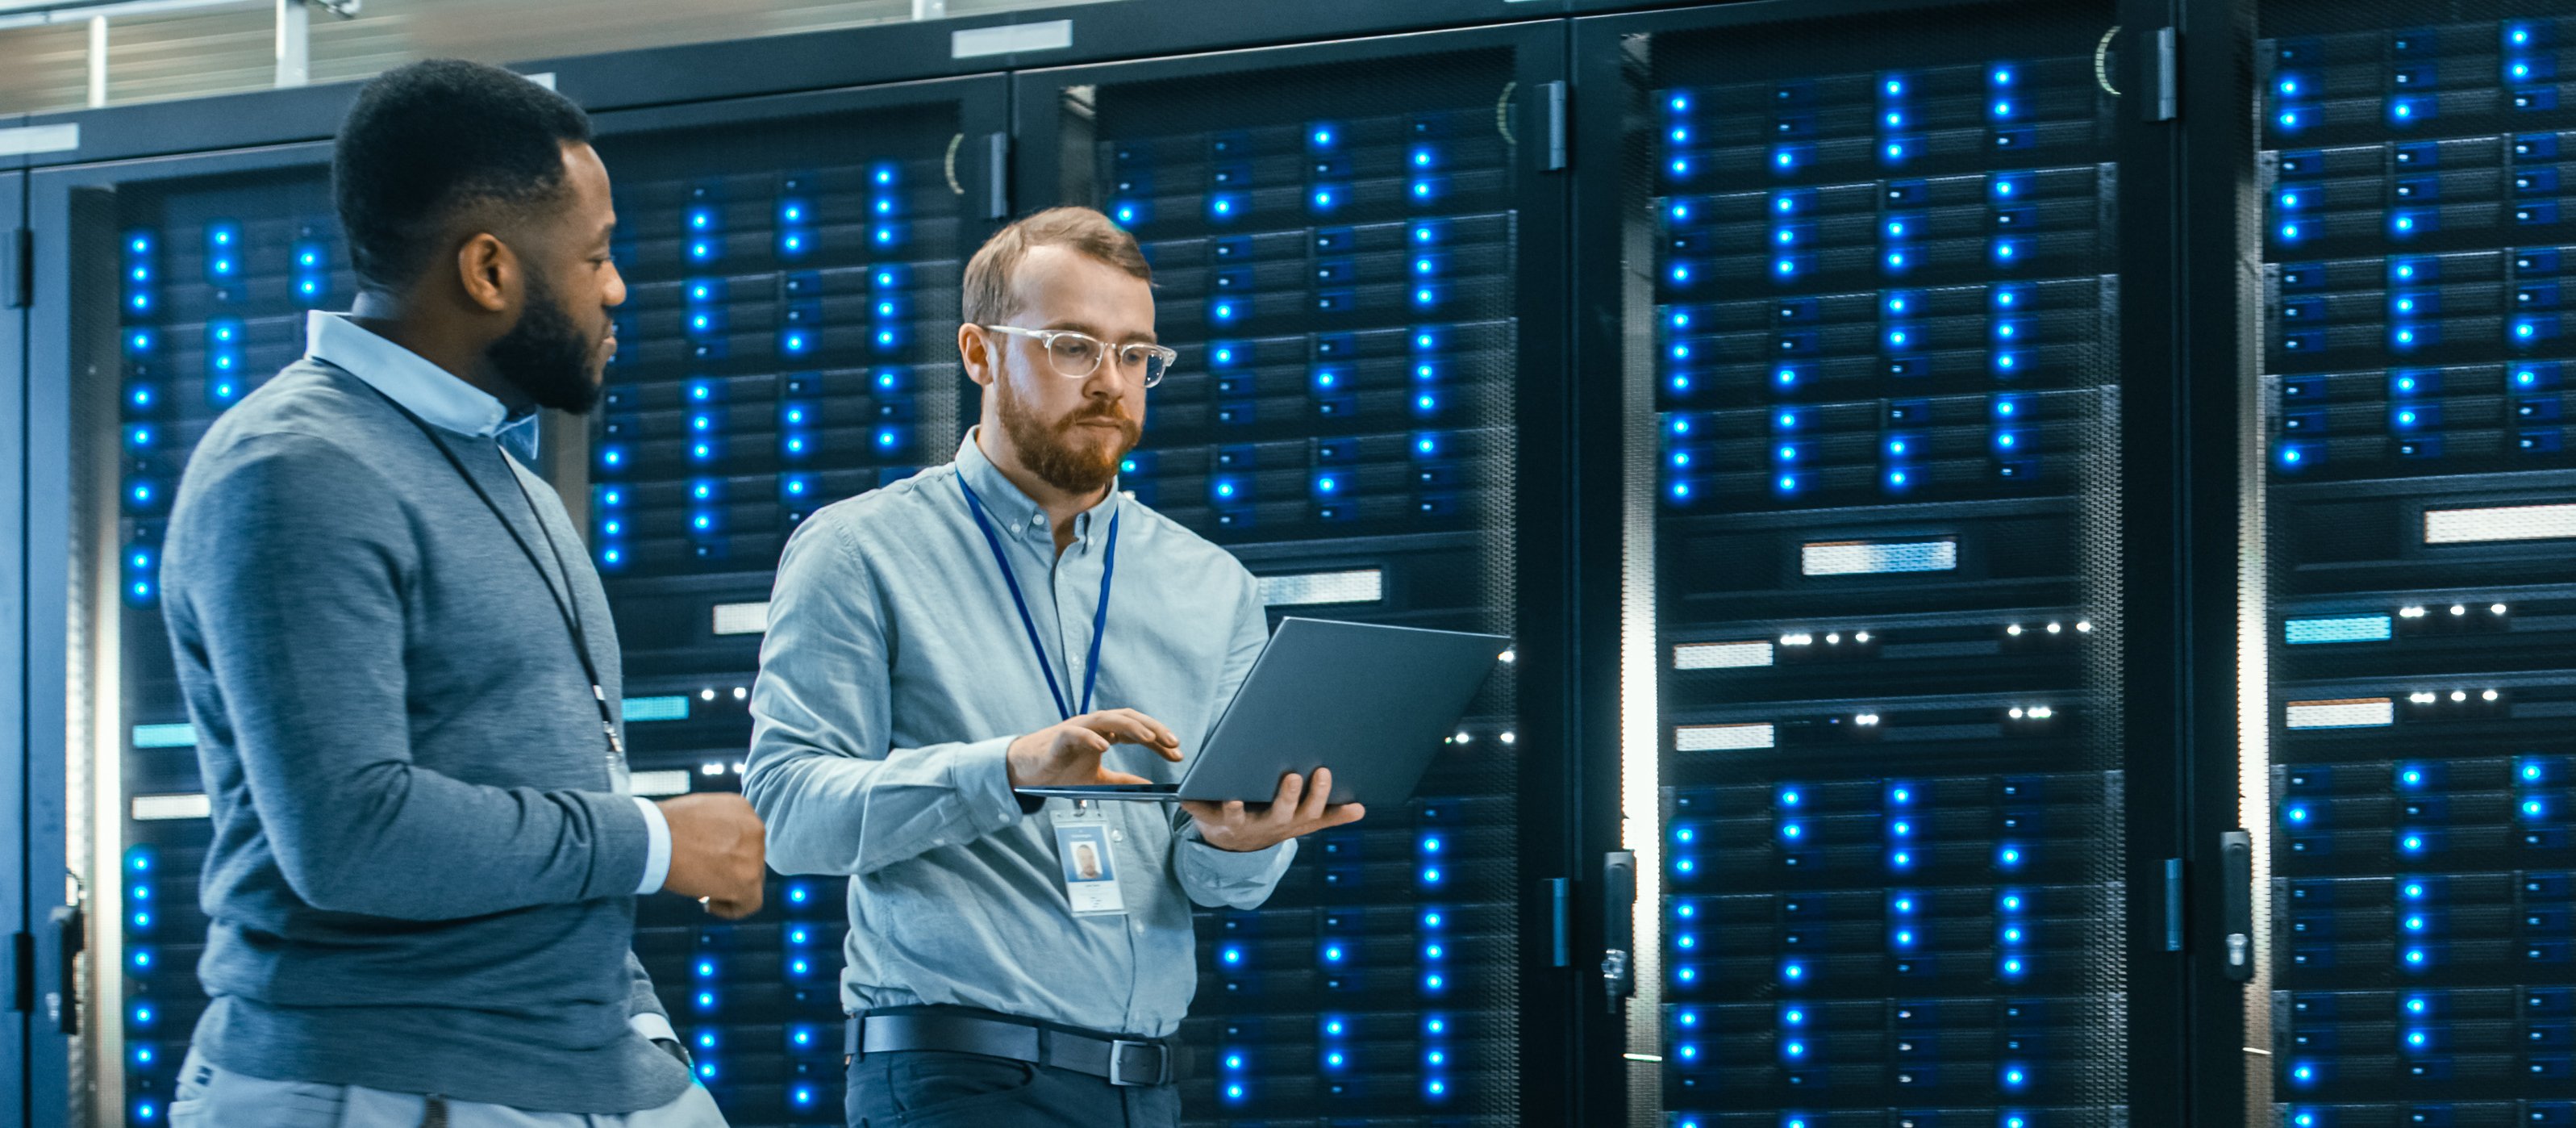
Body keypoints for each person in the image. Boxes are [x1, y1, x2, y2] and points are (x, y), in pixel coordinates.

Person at [156, 59, 765, 1127]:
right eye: (596, 255)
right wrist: (659, 841)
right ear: (488, 268)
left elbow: (548, 795)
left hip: (567, 1070)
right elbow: (351, 834)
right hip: (379, 1084)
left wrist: (639, 1036)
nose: (616, 287)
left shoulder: (499, 472)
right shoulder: (293, 470)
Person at [744, 206, 1366, 1128]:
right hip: (953, 1077)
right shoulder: (857, 552)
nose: (1110, 382)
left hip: (1145, 1086)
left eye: (1134, 355)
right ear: (978, 353)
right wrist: (1006, 771)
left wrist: (1242, 843)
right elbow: (790, 815)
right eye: (1072, 347)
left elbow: (1207, 878)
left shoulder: (1210, 586)